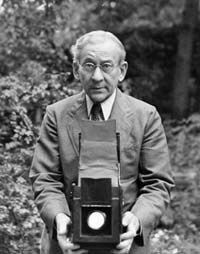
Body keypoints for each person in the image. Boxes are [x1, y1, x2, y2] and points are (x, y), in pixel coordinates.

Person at [30, 30, 174, 254]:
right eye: (89, 65)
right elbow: (45, 177)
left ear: (122, 71)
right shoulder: (56, 115)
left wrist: (136, 220)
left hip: (126, 246)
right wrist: (59, 218)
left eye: (106, 66)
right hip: (66, 244)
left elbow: (157, 183)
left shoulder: (146, 116)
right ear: (76, 70)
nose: (97, 76)